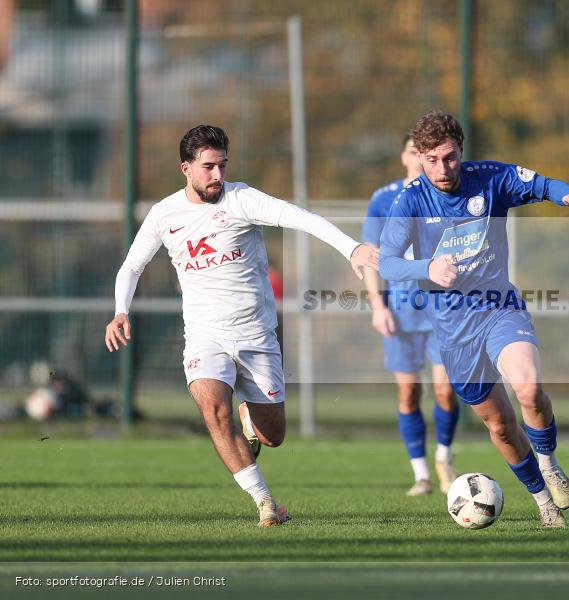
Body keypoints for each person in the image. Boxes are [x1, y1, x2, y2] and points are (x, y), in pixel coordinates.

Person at [104, 125, 378, 527]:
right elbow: (133, 265)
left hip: (256, 335)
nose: (218, 175)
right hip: (204, 334)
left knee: (273, 436)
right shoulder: (165, 214)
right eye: (209, 167)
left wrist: (350, 247)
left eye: (223, 166)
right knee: (214, 412)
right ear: (186, 169)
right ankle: (265, 501)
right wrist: (120, 310)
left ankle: (253, 418)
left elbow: (300, 218)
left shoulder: (242, 199)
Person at [379, 111, 569, 527]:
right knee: (499, 424)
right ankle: (542, 503)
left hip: (499, 308)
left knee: (528, 390)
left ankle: (548, 463)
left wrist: (567, 194)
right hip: (454, 332)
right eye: (432, 159)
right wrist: (427, 268)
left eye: (450, 157)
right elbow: (386, 263)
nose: (443, 169)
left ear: (461, 149)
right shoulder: (410, 200)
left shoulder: (490, 178)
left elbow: (542, 184)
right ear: (419, 157)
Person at [361, 133, 460, 497]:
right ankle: (420, 474)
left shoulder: (448, 192)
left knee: (445, 391)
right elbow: (371, 255)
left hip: (442, 309)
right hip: (401, 311)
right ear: (405, 157)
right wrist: (378, 306)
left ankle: (444, 458)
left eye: (428, 154)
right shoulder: (384, 198)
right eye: (415, 152)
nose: (421, 159)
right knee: (408, 393)